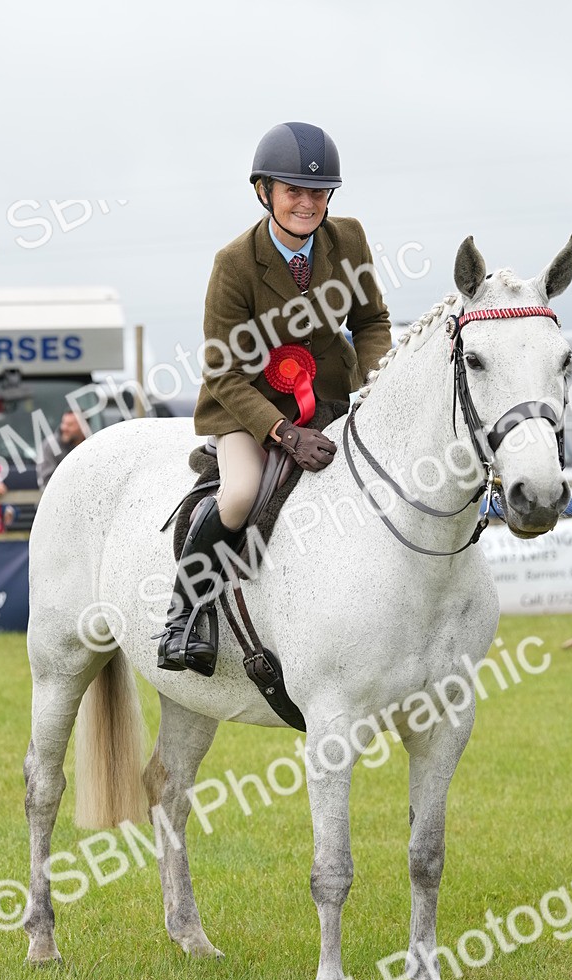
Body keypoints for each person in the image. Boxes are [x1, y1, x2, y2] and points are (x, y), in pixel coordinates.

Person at [157, 121, 393, 675]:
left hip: (333, 397)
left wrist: (378, 387)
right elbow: (221, 368)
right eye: (294, 191)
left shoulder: (349, 239)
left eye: (318, 192)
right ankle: (183, 616)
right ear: (265, 191)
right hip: (247, 405)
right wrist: (283, 433)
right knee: (239, 495)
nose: (307, 204)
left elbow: (372, 320)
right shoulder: (236, 263)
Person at [37, 410, 87, 489]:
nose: (64, 428)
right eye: (64, 423)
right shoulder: (50, 446)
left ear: (84, 426)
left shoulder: (95, 444)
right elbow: (46, 481)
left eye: (70, 425)